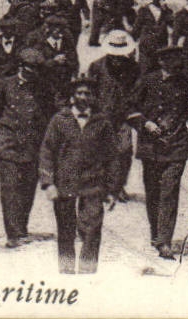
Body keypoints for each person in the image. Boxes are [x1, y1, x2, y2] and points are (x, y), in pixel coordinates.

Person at [129, 44, 188, 259]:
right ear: (162, 61)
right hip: (150, 147)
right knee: (153, 194)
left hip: (176, 147)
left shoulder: (186, 84)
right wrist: (145, 124)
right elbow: (130, 109)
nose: (177, 63)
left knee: (169, 194)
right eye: (171, 59)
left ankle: (165, 241)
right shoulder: (148, 81)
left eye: (178, 59)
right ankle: (156, 235)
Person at [39, 78, 123, 274]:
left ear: (93, 97)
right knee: (66, 229)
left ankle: (88, 270)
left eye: (87, 94)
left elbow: (112, 157)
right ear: (72, 96)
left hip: (93, 182)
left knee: (92, 228)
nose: (83, 97)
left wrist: (112, 190)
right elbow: (47, 152)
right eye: (79, 93)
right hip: (65, 182)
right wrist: (48, 183)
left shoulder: (102, 123)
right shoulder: (60, 120)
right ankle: (66, 269)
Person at [0, 47, 51, 247]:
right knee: (10, 190)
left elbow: (50, 114)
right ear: (22, 66)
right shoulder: (6, 85)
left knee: (28, 189)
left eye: (37, 70)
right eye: (30, 69)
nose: (33, 74)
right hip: (9, 145)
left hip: (32, 145)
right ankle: (13, 233)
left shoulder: (42, 88)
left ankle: (21, 227)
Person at [85, 29, 140, 201]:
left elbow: (137, 92)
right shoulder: (96, 66)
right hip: (101, 116)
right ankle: (102, 186)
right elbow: (89, 92)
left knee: (124, 152)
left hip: (123, 117)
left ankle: (118, 186)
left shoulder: (134, 68)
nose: (116, 59)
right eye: (113, 54)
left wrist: (130, 110)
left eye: (120, 54)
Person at [134, 0, 171, 68]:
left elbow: (172, 23)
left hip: (161, 45)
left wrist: (166, 10)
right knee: (145, 68)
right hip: (147, 45)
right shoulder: (144, 10)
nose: (160, 0)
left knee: (159, 68)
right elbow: (137, 27)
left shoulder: (166, 11)